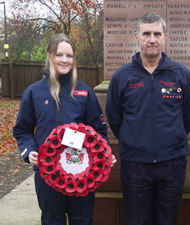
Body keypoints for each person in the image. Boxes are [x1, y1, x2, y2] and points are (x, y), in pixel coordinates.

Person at [13, 33, 116, 225]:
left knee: (82, 220)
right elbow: (22, 130)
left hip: (82, 172)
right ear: (50, 56)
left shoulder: (85, 93)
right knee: (52, 220)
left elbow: (98, 130)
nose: (64, 60)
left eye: (69, 56)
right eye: (59, 55)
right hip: (47, 172)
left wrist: (105, 153)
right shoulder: (34, 92)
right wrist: (29, 151)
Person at [106, 13, 190, 225]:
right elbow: (114, 117)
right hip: (135, 164)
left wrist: (171, 138)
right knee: (137, 220)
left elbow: (189, 115)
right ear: (137, 37)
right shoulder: (122, 77)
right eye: (146, 33)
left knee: (167, 219)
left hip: (172, 162)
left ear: (165, 36)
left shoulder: (181, 74)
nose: (152, 39)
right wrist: (133, 139)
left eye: (157, 33)